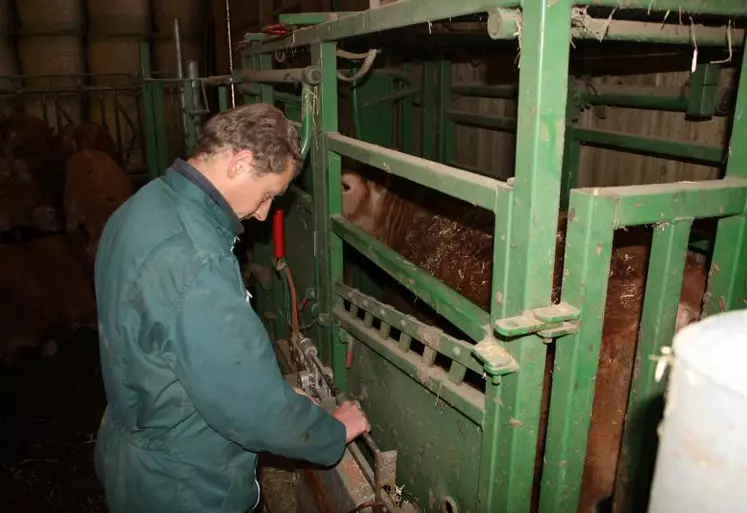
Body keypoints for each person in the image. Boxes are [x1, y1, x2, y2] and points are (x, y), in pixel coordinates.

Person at [92, 103, 370, 513]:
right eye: (268, 195)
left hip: (136, 456)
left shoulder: (143, 207)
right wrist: (330, 431)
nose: (263, 213)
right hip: (185, 484)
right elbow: (255, 414)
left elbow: (175, 354)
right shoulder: (196, 257)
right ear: (240, 163)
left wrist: (266, 389)